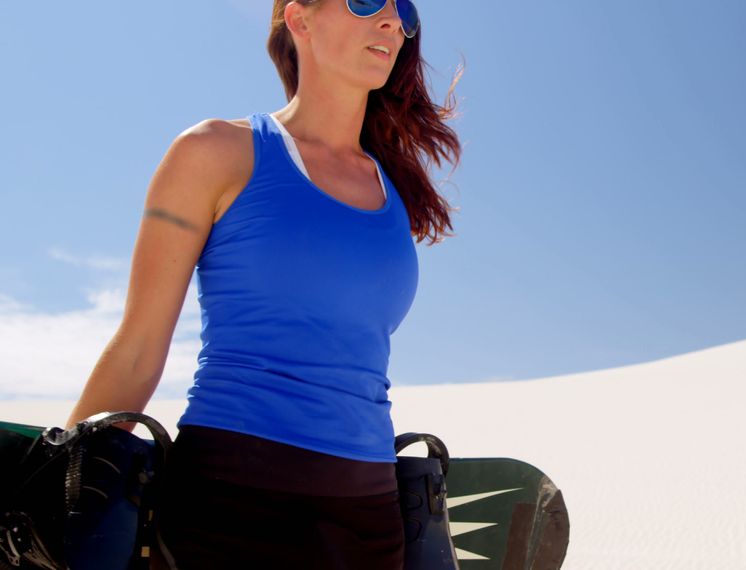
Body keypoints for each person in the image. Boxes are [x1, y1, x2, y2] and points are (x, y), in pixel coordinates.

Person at [63, 0, 463, 567]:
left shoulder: (393, 190)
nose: (393, 20)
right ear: (300, 19)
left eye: (405, 10)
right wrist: (63, 488)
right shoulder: (214, 152)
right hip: (228, 503)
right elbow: (138, 349)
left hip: (369, 516)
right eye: (366, 0)